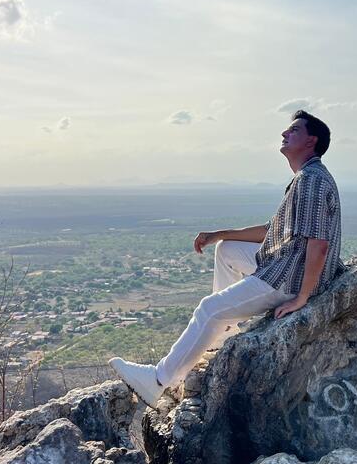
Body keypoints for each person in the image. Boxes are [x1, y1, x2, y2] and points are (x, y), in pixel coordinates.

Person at [109, 109, 343, 407]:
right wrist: (219, 234)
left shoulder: (310, 181)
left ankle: (158, 381)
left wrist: (303, 298)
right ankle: (220, 334)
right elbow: (273, 231)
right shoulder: (307, 177)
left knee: (210, 307)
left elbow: (318, 244)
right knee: (229, 250)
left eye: (293, 130)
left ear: (311, 141)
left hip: (290, 279)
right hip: (288, 265)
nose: (284, 134)